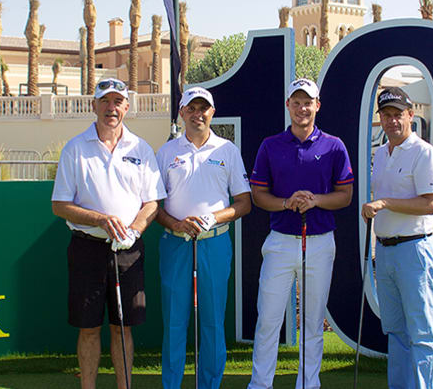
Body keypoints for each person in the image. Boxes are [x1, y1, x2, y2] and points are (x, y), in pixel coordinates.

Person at [51, 78, 166, 389]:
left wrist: (135, 229)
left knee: (122, 327)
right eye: (105, 101)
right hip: (87, 249)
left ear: (126, 107)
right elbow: (60, 205)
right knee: (88, 328)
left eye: (117, 102)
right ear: (94, 106)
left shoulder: (141, 148)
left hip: (128, 251)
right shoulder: (75, 148)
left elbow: (152, 202)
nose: (111, 108)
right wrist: (100, 219)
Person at [247, 78, 354, 389]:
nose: (302, 108)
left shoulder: (334, 146)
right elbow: (258, 195)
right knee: (268, 320)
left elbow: (344, 195)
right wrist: (286, 203)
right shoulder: (270, 145)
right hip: (280, 242)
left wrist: (315, 200)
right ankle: (260, 385)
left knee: (312, 322)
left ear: (317, 106)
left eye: (308, 102)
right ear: (288, 106)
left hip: (320, 243)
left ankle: (308, 385)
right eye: (296, 102)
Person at [155, 86, 252, 389]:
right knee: (174, 322)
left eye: (203, 108)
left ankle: (210, 384)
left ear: (212, 112)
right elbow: (154, 206)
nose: (198, 114)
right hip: (175, 243)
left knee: (211, 322)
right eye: (191, 109)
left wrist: (212, 218)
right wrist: (176, 223)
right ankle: (171, 384)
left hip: (215, 243)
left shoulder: (227, 150)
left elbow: (243, 202)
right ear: (182, 112)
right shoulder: (166, 152)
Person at [361, 86, 433, 389]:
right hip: (384, 251)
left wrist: (383, 204)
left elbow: (429, 203)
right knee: (395, 331)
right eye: (386, 115)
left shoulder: (424, 153)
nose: (392, 121)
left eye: (398, 114)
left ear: (411, 115)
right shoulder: (382, 153)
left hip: (414, 249)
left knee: (421, 333)